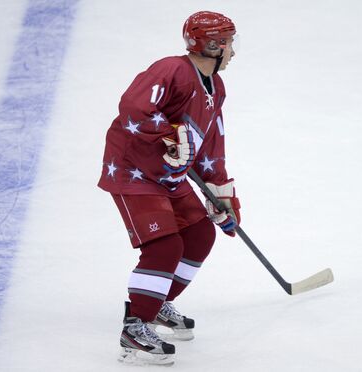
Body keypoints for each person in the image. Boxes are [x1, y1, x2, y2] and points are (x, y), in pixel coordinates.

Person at [97, 10, 241, 366]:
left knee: (199, 236)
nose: (233, 51)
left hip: (168, 178)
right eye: (228, 44)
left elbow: (210, 147)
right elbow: (133, 107)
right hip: (134, 172)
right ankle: (135, 328)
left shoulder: (215, 88)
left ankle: (155, 304)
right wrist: (169, 136)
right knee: (165, 245)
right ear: (212, 46)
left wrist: (222, 197)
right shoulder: (171, 69)